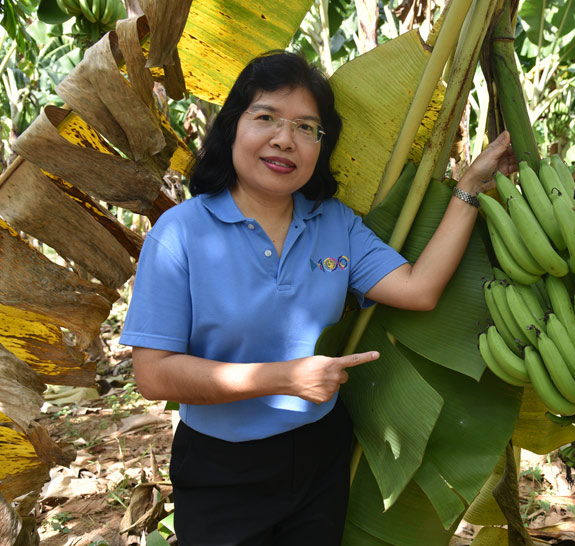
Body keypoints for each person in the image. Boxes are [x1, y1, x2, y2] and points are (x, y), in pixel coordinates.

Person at [120, 50, 515, 546]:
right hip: (221, 464)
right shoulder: (180, 233)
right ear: (232, 127)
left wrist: (469, 187)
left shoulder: (334, 223)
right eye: (266, 117)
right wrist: (285, 378)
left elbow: (419, 289)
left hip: (319, 454)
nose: (285, 139)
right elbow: (153, 375)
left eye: (307, 127)